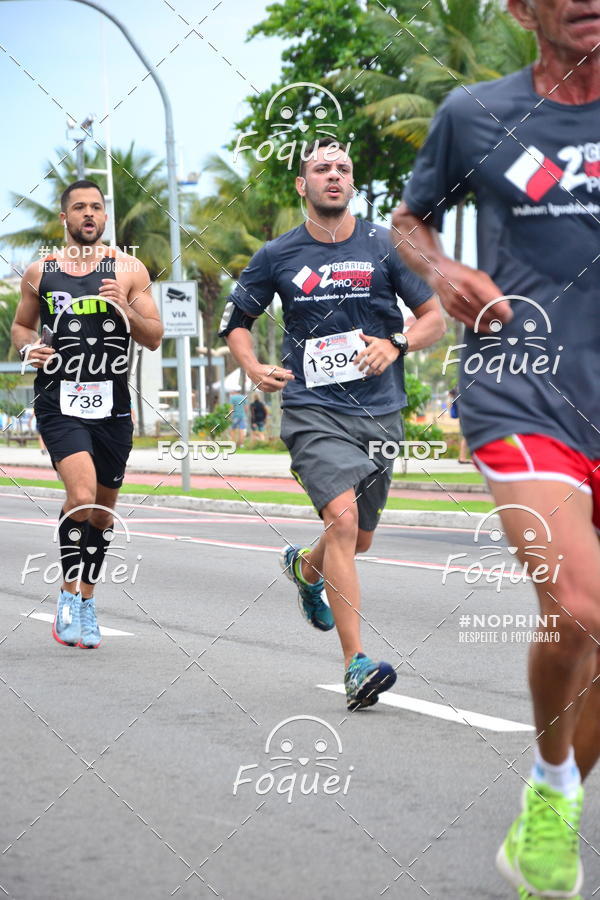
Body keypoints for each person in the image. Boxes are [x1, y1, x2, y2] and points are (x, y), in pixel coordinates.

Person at [392, 1, 600, 895]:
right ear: (520, 8)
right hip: (525, 387)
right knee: (580, 605)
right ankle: (554, 784)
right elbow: (408, 222)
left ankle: (553, 800)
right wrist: (442, 272)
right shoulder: (476, 114)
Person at [220, 138, 445, 710]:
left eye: (343, 168)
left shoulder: (385, 244)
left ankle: (305, 566)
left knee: (359, 538)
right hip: (311, 409)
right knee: (342, 522)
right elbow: (237, 321)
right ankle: (356, 665)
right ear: (303, 184)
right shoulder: (277, 254)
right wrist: (253, 366)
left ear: (352, 182)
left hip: (380, 410)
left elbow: (434, 318)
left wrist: (396, 343)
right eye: (322, 168)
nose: (334, 176)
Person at [12, 179, 163, 650]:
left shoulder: (129, 269)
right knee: (80, 495)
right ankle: (66, 594)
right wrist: (28, 349)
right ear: (65, 218)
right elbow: (21, 326)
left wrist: (125, 308)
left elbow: (154, 336)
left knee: (100, 513)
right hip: (59, 400)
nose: (89, 214)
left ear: (105, 216)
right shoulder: (40, 272)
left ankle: (87, 600)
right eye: (79, 207)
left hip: (113, 406)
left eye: (96, 207)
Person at [447, 387, 470, 464]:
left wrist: (450, 407)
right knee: (467, 436)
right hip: (467, 414)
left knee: (466, 435)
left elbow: (449, 395)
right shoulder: (468, 384)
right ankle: (462, 458)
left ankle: (462, 457)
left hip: (463, 414)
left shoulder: (459, 385)